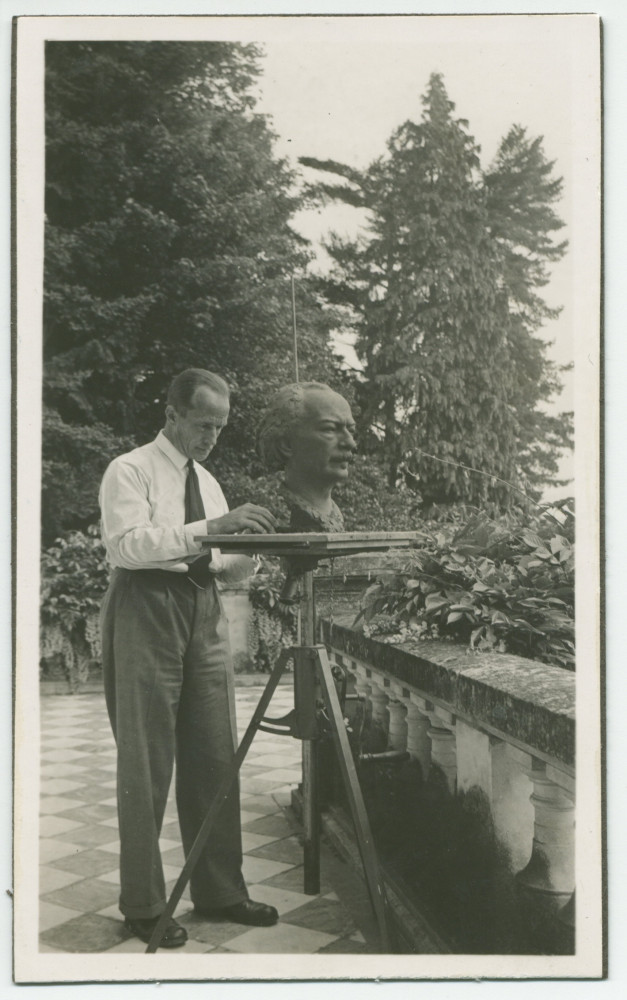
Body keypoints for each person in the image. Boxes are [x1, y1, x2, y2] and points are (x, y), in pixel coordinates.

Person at [99, 368, 279, 948]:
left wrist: (250, 552)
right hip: (145, 606)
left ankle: (221, 890)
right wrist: (212, 529)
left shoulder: (209, 481)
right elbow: (128, 545)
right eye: (203, 424)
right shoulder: (129, 469)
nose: (211, 438)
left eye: (220, 427)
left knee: (215, 754)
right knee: (146, 762)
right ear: (172, 414)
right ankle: (144, 904)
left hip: (204, 609)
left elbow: (218, 561)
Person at [257, 381, 357, 532]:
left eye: (351, 430)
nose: (350, 443)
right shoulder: (271, 517)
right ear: (287, 444)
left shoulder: (336, 516)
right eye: (330, 429)